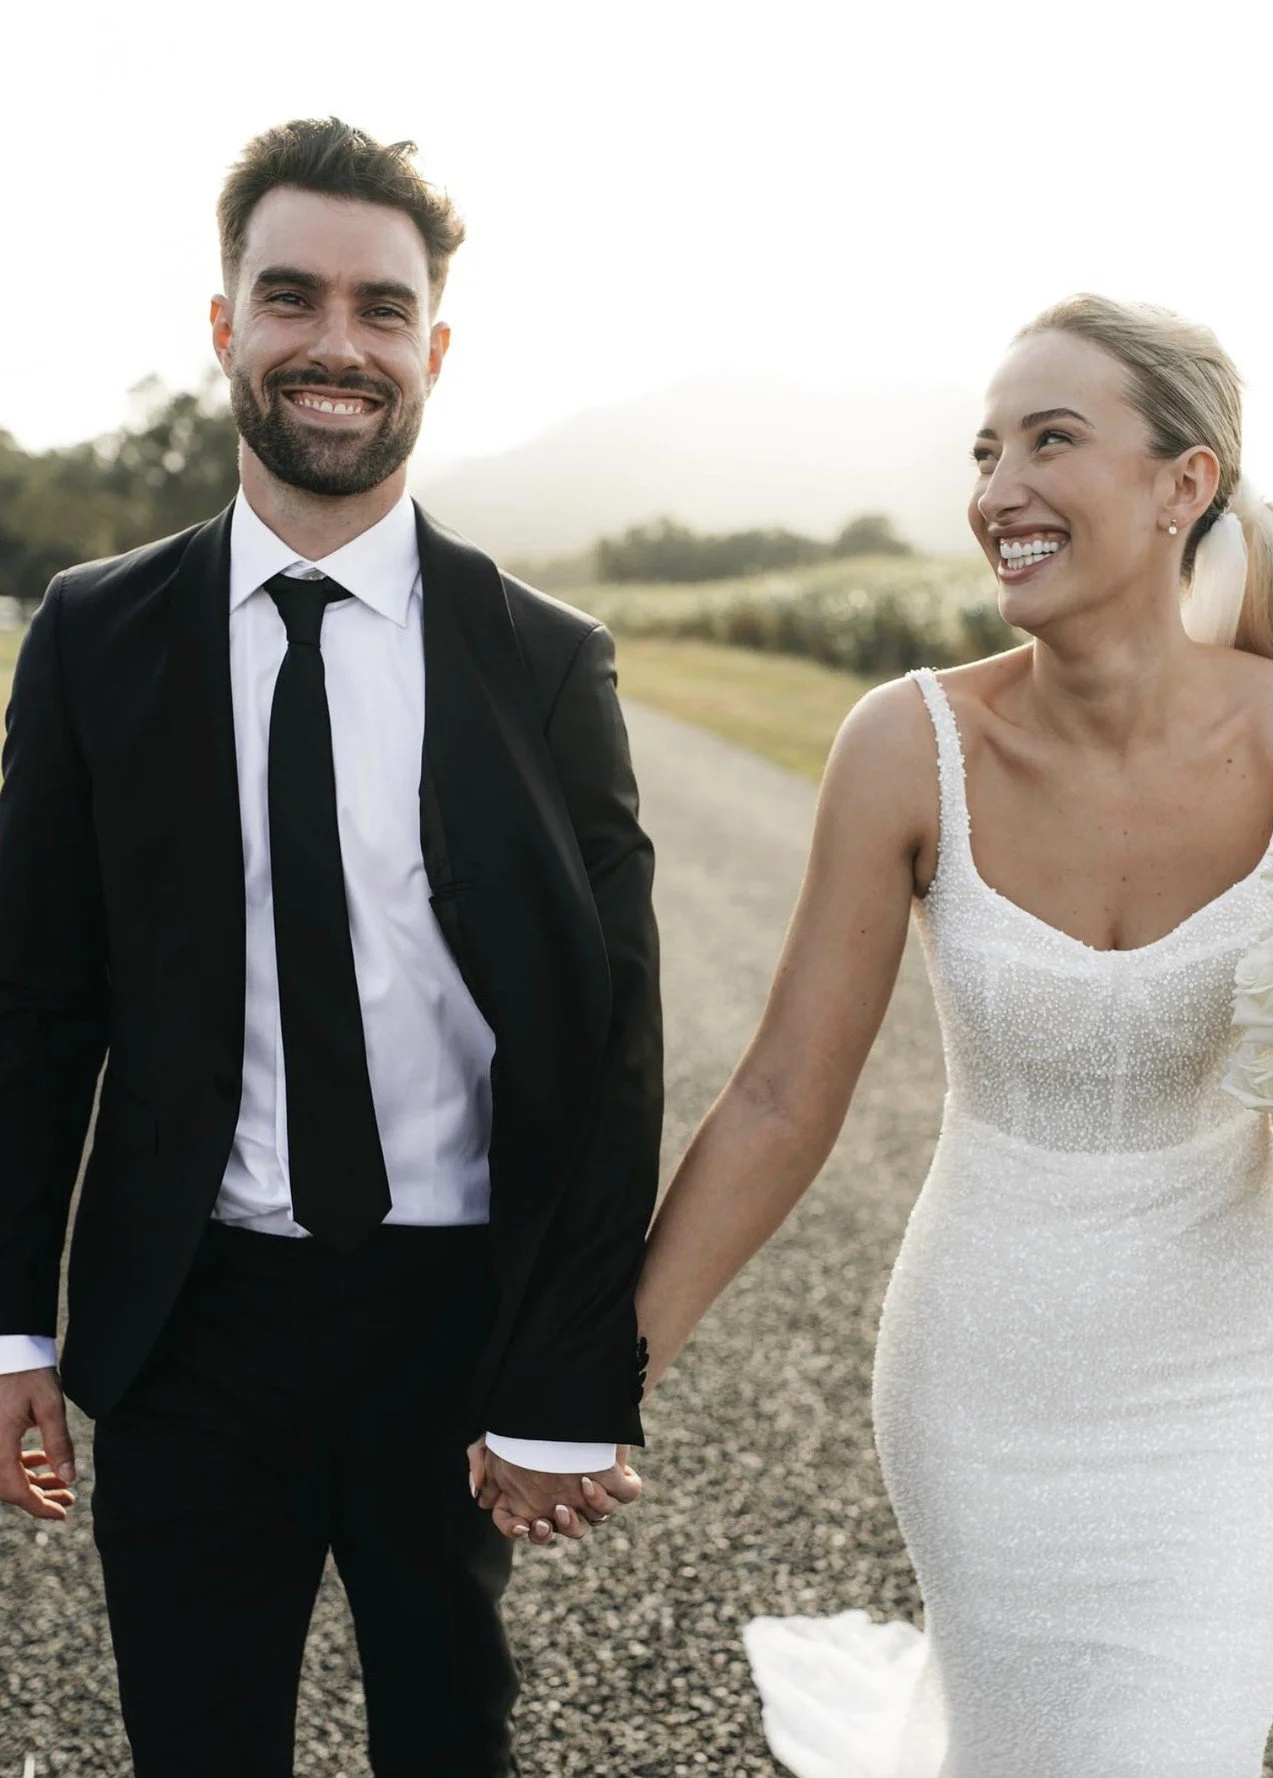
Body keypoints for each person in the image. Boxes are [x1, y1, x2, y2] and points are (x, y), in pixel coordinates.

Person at [632, 295, 1273, 1776]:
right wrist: (606, 1368)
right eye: (987, 450)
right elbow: (784, 1095)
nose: (999, 488)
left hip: (1223, 1379)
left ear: (1184, 484)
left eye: (1051, 440)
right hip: (981, 1372)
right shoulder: (906, 743)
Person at [0, 117, 661, 1778]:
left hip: (451, 1324)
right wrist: (11, 1321)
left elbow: (609, 1041)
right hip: (190, 1318)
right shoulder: (93, 637)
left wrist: (570, 1376)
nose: (335, 345)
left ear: (431, 349)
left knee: (455, 1745)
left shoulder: (546, 660)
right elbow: (31, 999)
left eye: (381, 308)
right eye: (291, 296)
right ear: (226, 325)